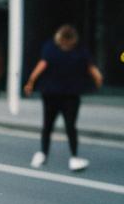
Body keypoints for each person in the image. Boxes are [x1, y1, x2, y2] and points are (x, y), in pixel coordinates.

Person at [24, 24, 103, 172]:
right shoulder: (80, 50)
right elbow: (91, 68)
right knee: (70, 127)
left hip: (52, 94)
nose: (66, 45)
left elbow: (41, 65)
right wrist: (98, 80)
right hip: (69, 95)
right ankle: (73, 157)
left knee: (48, 126)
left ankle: (43, 153)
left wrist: (30, 82)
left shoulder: (51, 47)